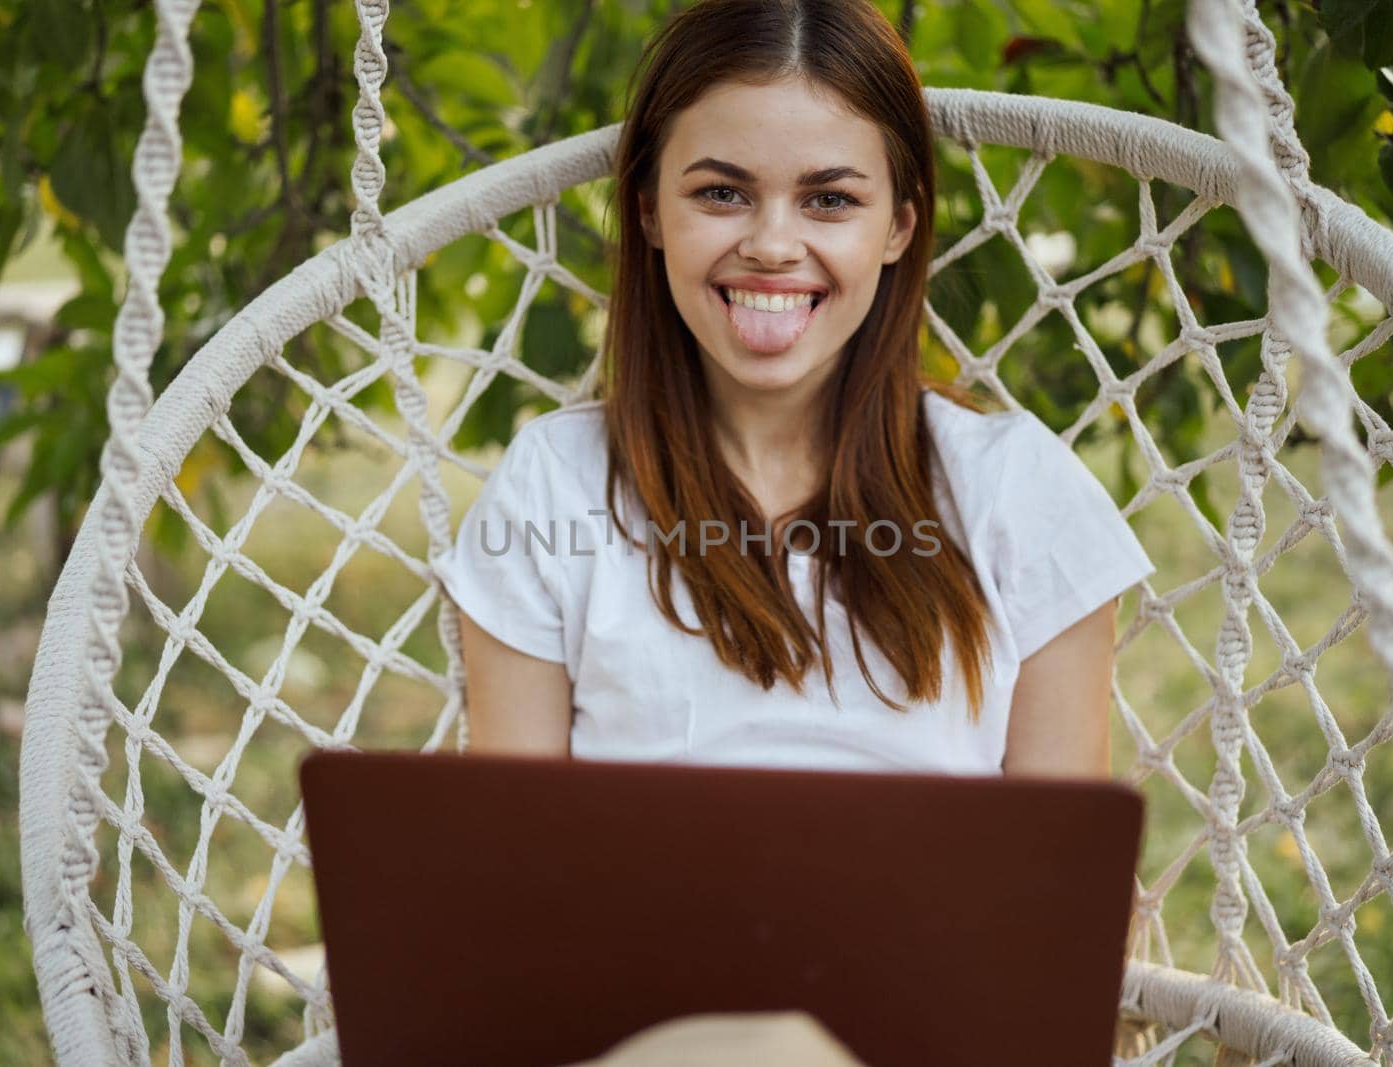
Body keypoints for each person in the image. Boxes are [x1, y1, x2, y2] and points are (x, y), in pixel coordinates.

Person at [434, 0, 1154, 778]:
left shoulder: (1016, 491)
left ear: (899, 229)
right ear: (648, 213)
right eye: (721, 193)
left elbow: (1063, 877)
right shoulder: (552, 487)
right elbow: (517, 862)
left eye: (830, 200)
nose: (773, 245)